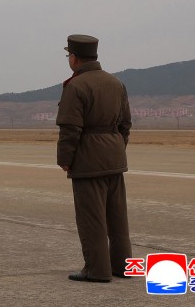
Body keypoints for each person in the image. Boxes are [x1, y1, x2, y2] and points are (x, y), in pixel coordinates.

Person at [56, 34, 133, 283]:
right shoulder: (116, 83)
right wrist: (117, 147)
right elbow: (125, 124)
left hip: (88, 162)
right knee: (118, 218)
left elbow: (70, 128)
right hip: (114, 157)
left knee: (92, 219)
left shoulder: (76, 86)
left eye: (69, 55)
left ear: (75, 58)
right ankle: (123, 267)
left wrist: (65, 159)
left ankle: (96, 270)